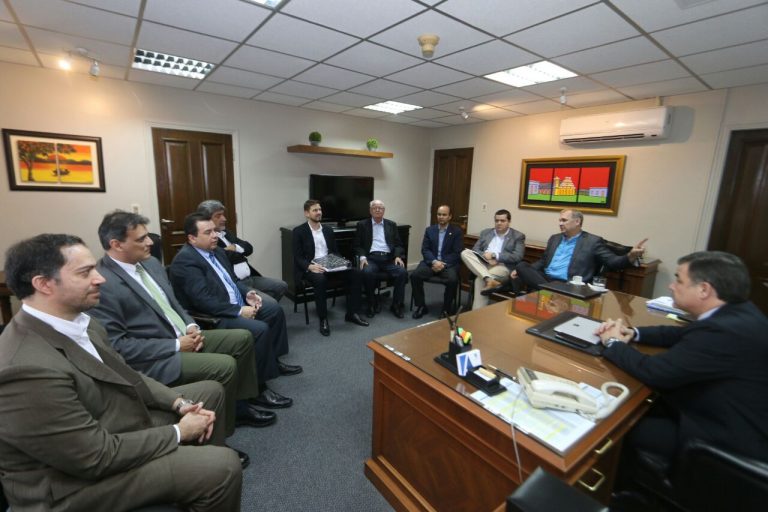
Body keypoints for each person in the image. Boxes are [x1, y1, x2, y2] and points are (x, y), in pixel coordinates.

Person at [0, 234, 241, 511]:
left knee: (208, 392)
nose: (100, 278)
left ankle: (190, 486)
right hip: (70, 487)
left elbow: (127, 375)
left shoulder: (83, 322)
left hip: (107, 426)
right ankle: (199, 475)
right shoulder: (25, 368)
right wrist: (179, 431)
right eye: (85, 272)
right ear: (43, 284)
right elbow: (93, 457)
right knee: (222, 467)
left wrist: (179, 403)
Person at [89, 210, 276, 441]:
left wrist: (190, 326)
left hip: (184, 335)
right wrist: (177, 345)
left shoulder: (151, 264)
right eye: (141, 239)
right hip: (158, 356)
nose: (151, 242)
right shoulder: (103, 284)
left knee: (243, 338)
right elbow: (118, 347)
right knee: (225, 365)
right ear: (116, 244)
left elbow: (174, 303)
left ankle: (241, 405)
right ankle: (223, 432)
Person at [596, 251, 768, 487]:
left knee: (617, 427)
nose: (671, 285)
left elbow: (655, 372)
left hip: (721, 436)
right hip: (729, 413)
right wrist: (633, 332)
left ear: (704, 289)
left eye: (678, 280)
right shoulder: (738, 312)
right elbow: (681, 334)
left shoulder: (722, 332)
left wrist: (613, 343)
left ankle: (612, 490)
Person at [169, 213, 301, 411]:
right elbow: (203, 300)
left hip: (234, 303)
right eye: (208, 232)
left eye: (215, 231)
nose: (215, 235)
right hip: (214, 316)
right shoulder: (185, 261)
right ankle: (258, 389)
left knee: (274, 310)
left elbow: (233, 281)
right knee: (260, 329)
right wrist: (238, 310)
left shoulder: (217, 252)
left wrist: (248, 293)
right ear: (192, 238)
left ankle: (273, 360)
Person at [509, 209, 646, 292]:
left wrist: (631, 255)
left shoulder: (592, 241)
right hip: (545, 278)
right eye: (559, 220)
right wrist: (521, 270)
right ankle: (551, 290)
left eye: (564, 220)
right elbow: (543, 261)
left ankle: (549, 290)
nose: (560, 223)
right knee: (521, 266)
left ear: (577, 221)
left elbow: (613, 261)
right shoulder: (555, 238)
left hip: (569, 283)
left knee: (525, 275)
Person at [293, 200, 369, 336]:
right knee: (320, 280)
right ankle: (323, 319)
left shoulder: (328, 230)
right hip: (312, 267)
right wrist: (310, 266)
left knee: (356, 273)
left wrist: (340, 262)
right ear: (306, 213)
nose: (319, 212)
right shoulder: (299, 231)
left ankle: (352, 313)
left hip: (330, 265)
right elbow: (298, 257)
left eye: (320, 210)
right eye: (315, 210)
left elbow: (334, 251)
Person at [197, 199, 288, 303]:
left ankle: (257, 308)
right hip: (236, 283)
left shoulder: (225, 232)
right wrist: (238, 252)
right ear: (206, 219)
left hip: (250, 277)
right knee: (270, 304)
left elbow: (249, 248)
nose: (224, 218)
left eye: (223, 214)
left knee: (281, 285)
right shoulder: (206, 239)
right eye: (218, 216)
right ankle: (257, 307)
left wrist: (235, 247)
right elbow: (223, 257)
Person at [460, 209, 525, 309]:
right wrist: (485, 255)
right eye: (497, 220)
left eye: (502, 221)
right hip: (483, 262)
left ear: (509, 221)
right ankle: (489, 279)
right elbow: (475, 249)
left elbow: (517, 256)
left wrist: (495, 256)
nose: (499, 223)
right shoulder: (486, 232)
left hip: (502, 266)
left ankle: (477, 314)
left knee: (480, 280)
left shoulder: (518, 236)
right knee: (465, 253)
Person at [353, 199, 408, 318]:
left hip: (388, 258)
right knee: (367, 272)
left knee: (402, 272)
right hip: (371, 258)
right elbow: (357, 245)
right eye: (375, 208)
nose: (378, 210)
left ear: (384, 210)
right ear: (370, 210)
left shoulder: (391, 224)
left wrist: (397, 256)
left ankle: (396, 304)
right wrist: (362, 257)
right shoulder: (362, 225)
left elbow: (398, 244)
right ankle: (371, 303)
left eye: (380, 208)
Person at [410, 205, 464, 319]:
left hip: (448, 265)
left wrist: (442, 263)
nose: (441, 217)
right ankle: (421, 306)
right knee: (415, 275)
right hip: (431, 262)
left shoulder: (456, 232)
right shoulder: (430, 230)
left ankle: (446, 309)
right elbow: (425, 249)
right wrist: (434, 261)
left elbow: (457, 252)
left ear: (450, 216)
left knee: (452, 280)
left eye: (444, 215)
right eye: (439, 214)